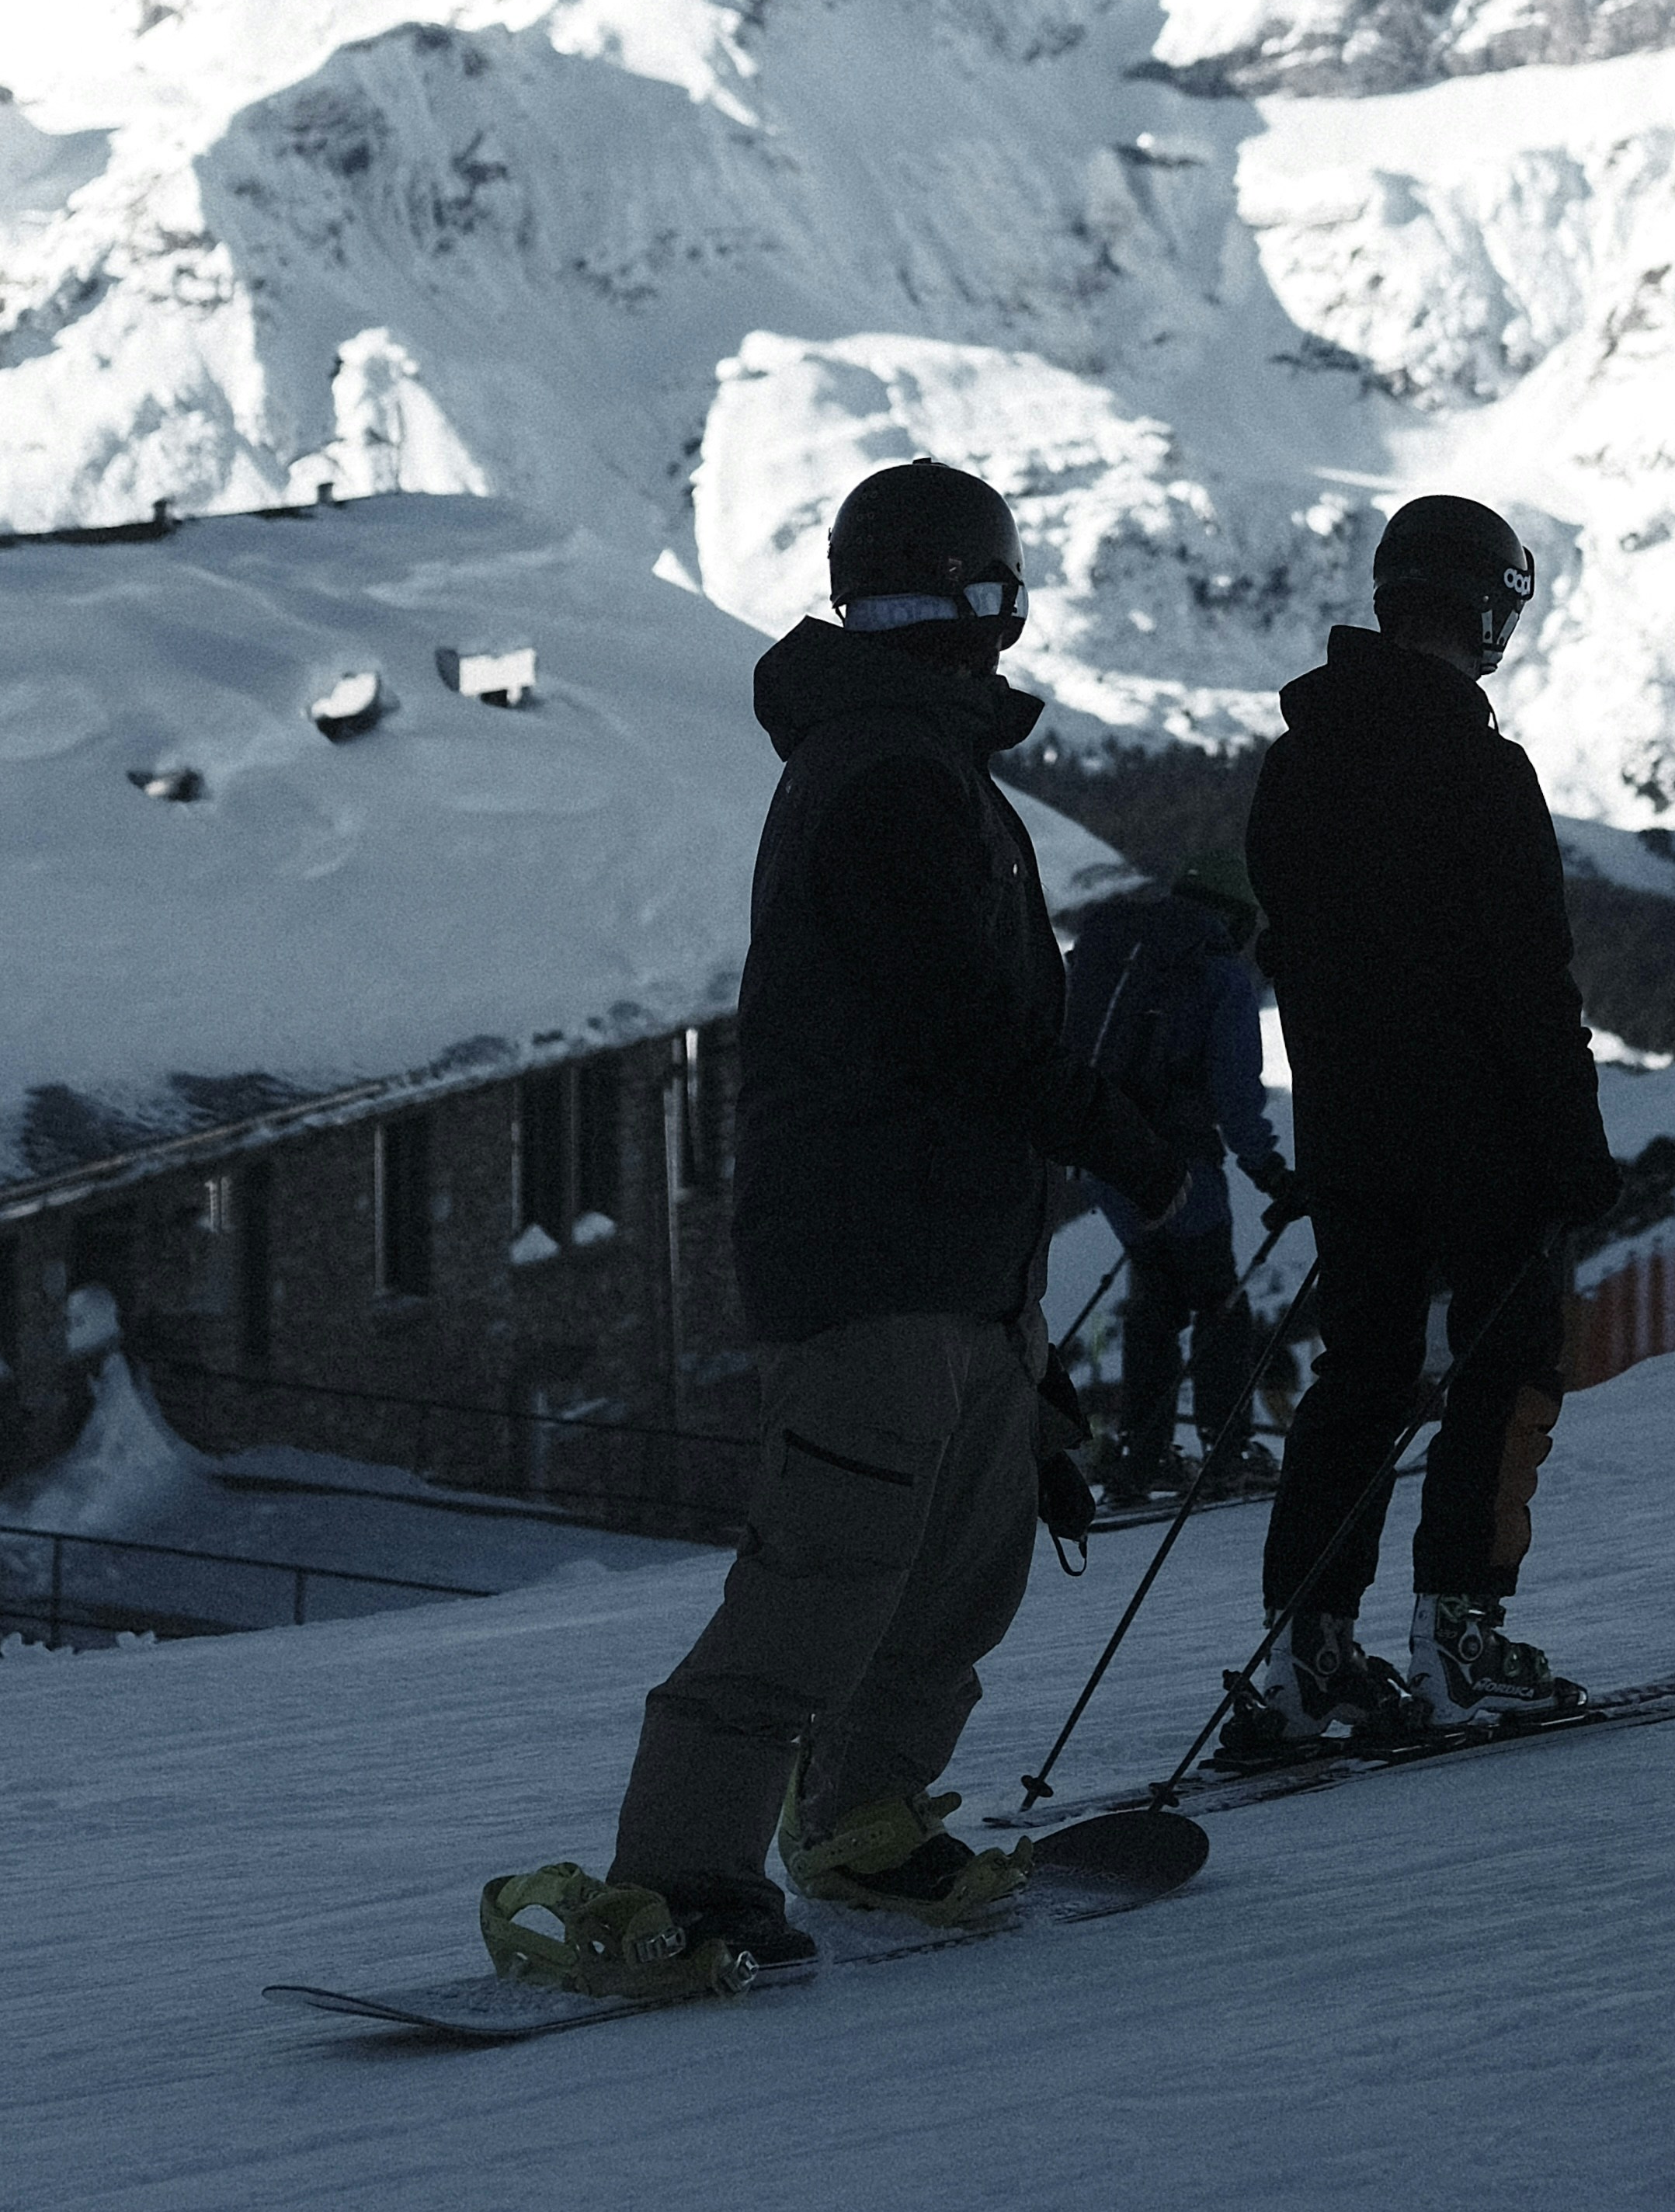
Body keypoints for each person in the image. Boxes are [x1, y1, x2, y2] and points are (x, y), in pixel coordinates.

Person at [481, 458, 1184, 2007]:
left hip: (957, 1255)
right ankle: (678, 1877)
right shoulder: (886, 776)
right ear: (987, 601)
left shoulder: (916, 759)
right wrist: (1118, 1130)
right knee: (825, 1581)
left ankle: (863, 1814)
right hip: (872, 1257)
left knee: (957, 1575)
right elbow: (958, 1026)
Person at [1224, 496, 1622, 1750]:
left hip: (1347, 1129)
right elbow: (1527, 976)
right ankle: (1458, 1637)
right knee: (1503, 1366)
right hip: (1479, 1132)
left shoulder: (1295, 764)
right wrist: (1572, 1144)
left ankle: (1309, 1657)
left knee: (1361, 1375)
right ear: (1485, 609)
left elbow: (1288, 946)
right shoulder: (1480, 769)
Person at [1064, 850, 1304, 1506]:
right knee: (1219, 1298)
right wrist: (1267, 1167)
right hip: (1180, 1163)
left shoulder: (1121, 953)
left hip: (1103, 1156)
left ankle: (1140, 1461)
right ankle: (1227, 1454)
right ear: (1236, 917)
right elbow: (1235, 1091)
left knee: (1157, 1297)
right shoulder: (1215, 973)